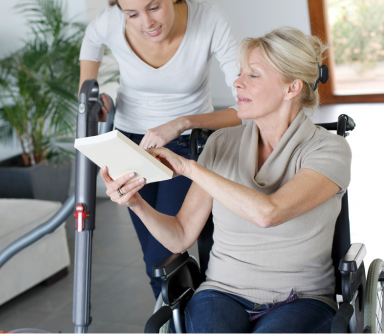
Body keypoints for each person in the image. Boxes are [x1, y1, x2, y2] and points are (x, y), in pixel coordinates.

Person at [100, 26, 351, 333]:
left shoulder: (329, 149)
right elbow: (180, 235)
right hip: (221, 293)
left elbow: (268, 213)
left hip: (301, 299)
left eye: (253, 75)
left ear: (292, 88)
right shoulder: (221, 143)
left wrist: (191, 168)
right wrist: (136, 202)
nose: (236, 82)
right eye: (240, 73)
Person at [79, 0, 242, 299]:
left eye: (154, 7)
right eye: (132, 14)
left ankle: (196, 314)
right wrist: (87, 94)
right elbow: (91, 40)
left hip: (186, 144)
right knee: (154, 261)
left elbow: (246, 107)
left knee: (167, 249)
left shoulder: (208, 19)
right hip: (128, 142)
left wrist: (181, 123)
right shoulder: (110, 21)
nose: (147, 23)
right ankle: (173, 322)